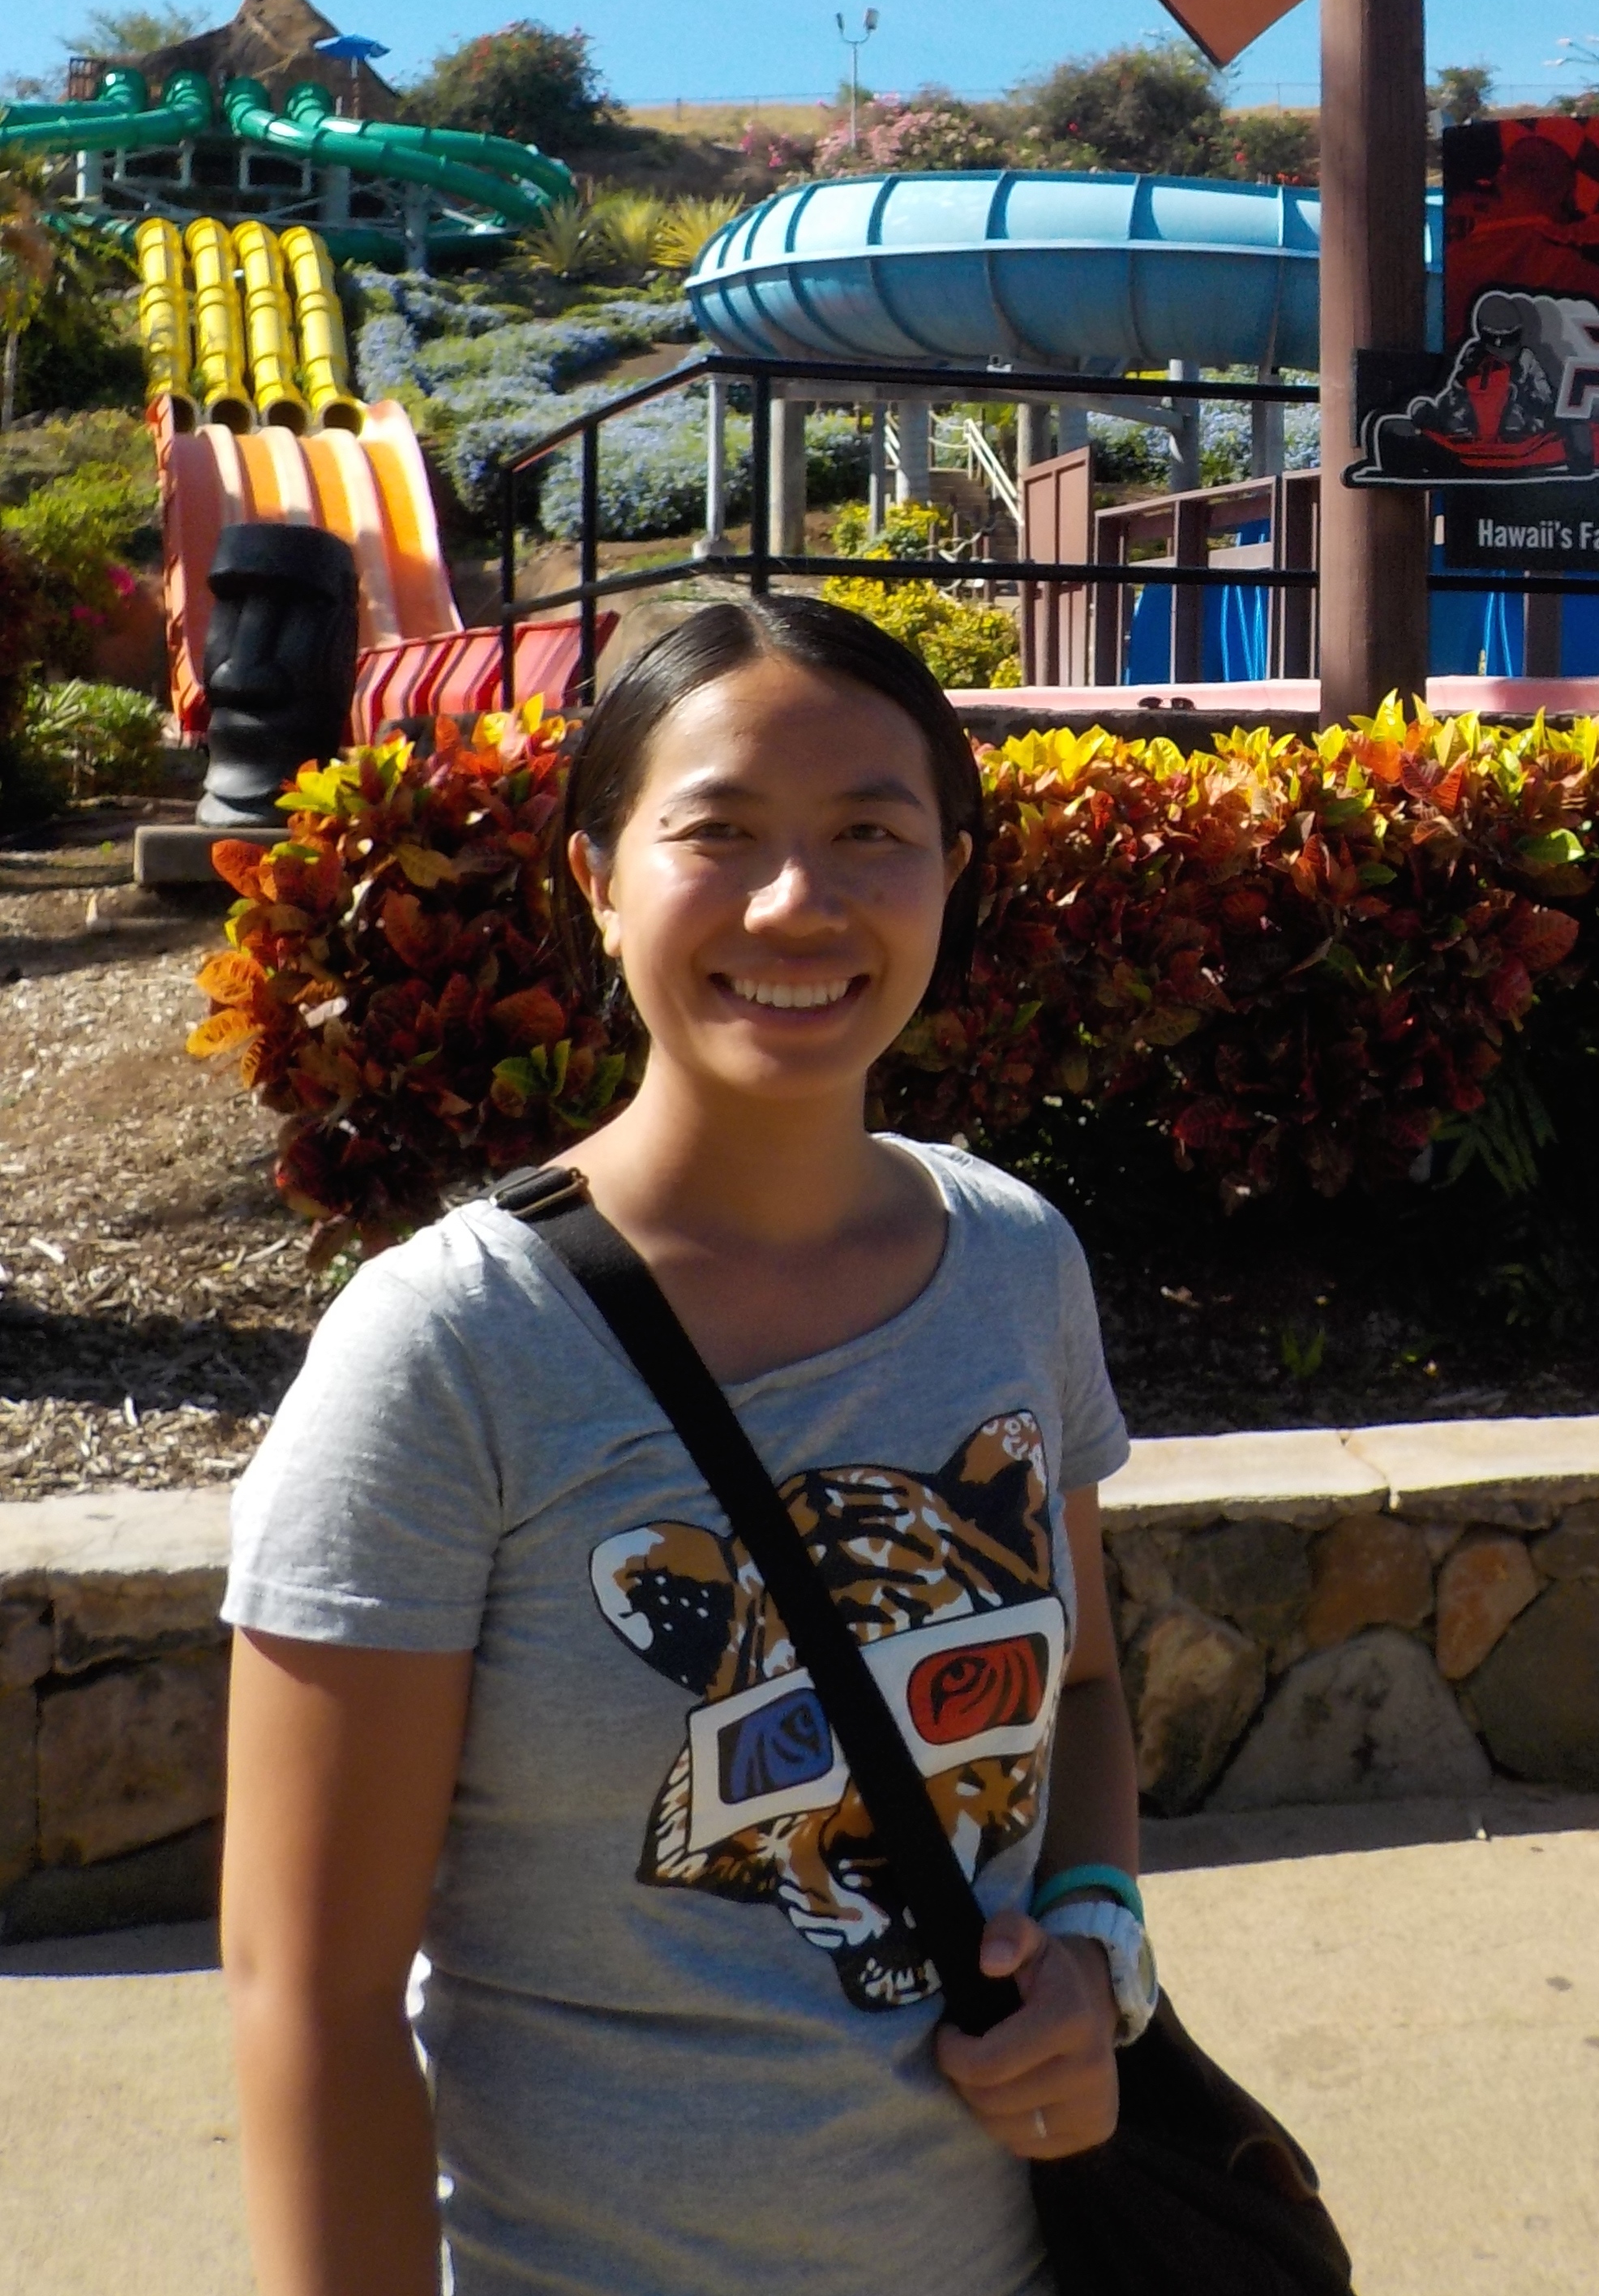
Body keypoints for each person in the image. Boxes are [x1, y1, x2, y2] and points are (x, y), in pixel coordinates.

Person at [220, 598, 1143, 2296]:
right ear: (597, 877)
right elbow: (308, 1994)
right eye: (718, 832)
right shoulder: (451, 1351)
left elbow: (1076, 1687)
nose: (797, 903)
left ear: (951, 871)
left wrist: (1098, 1945)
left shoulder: (1019, 1263)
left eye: (871, 832)